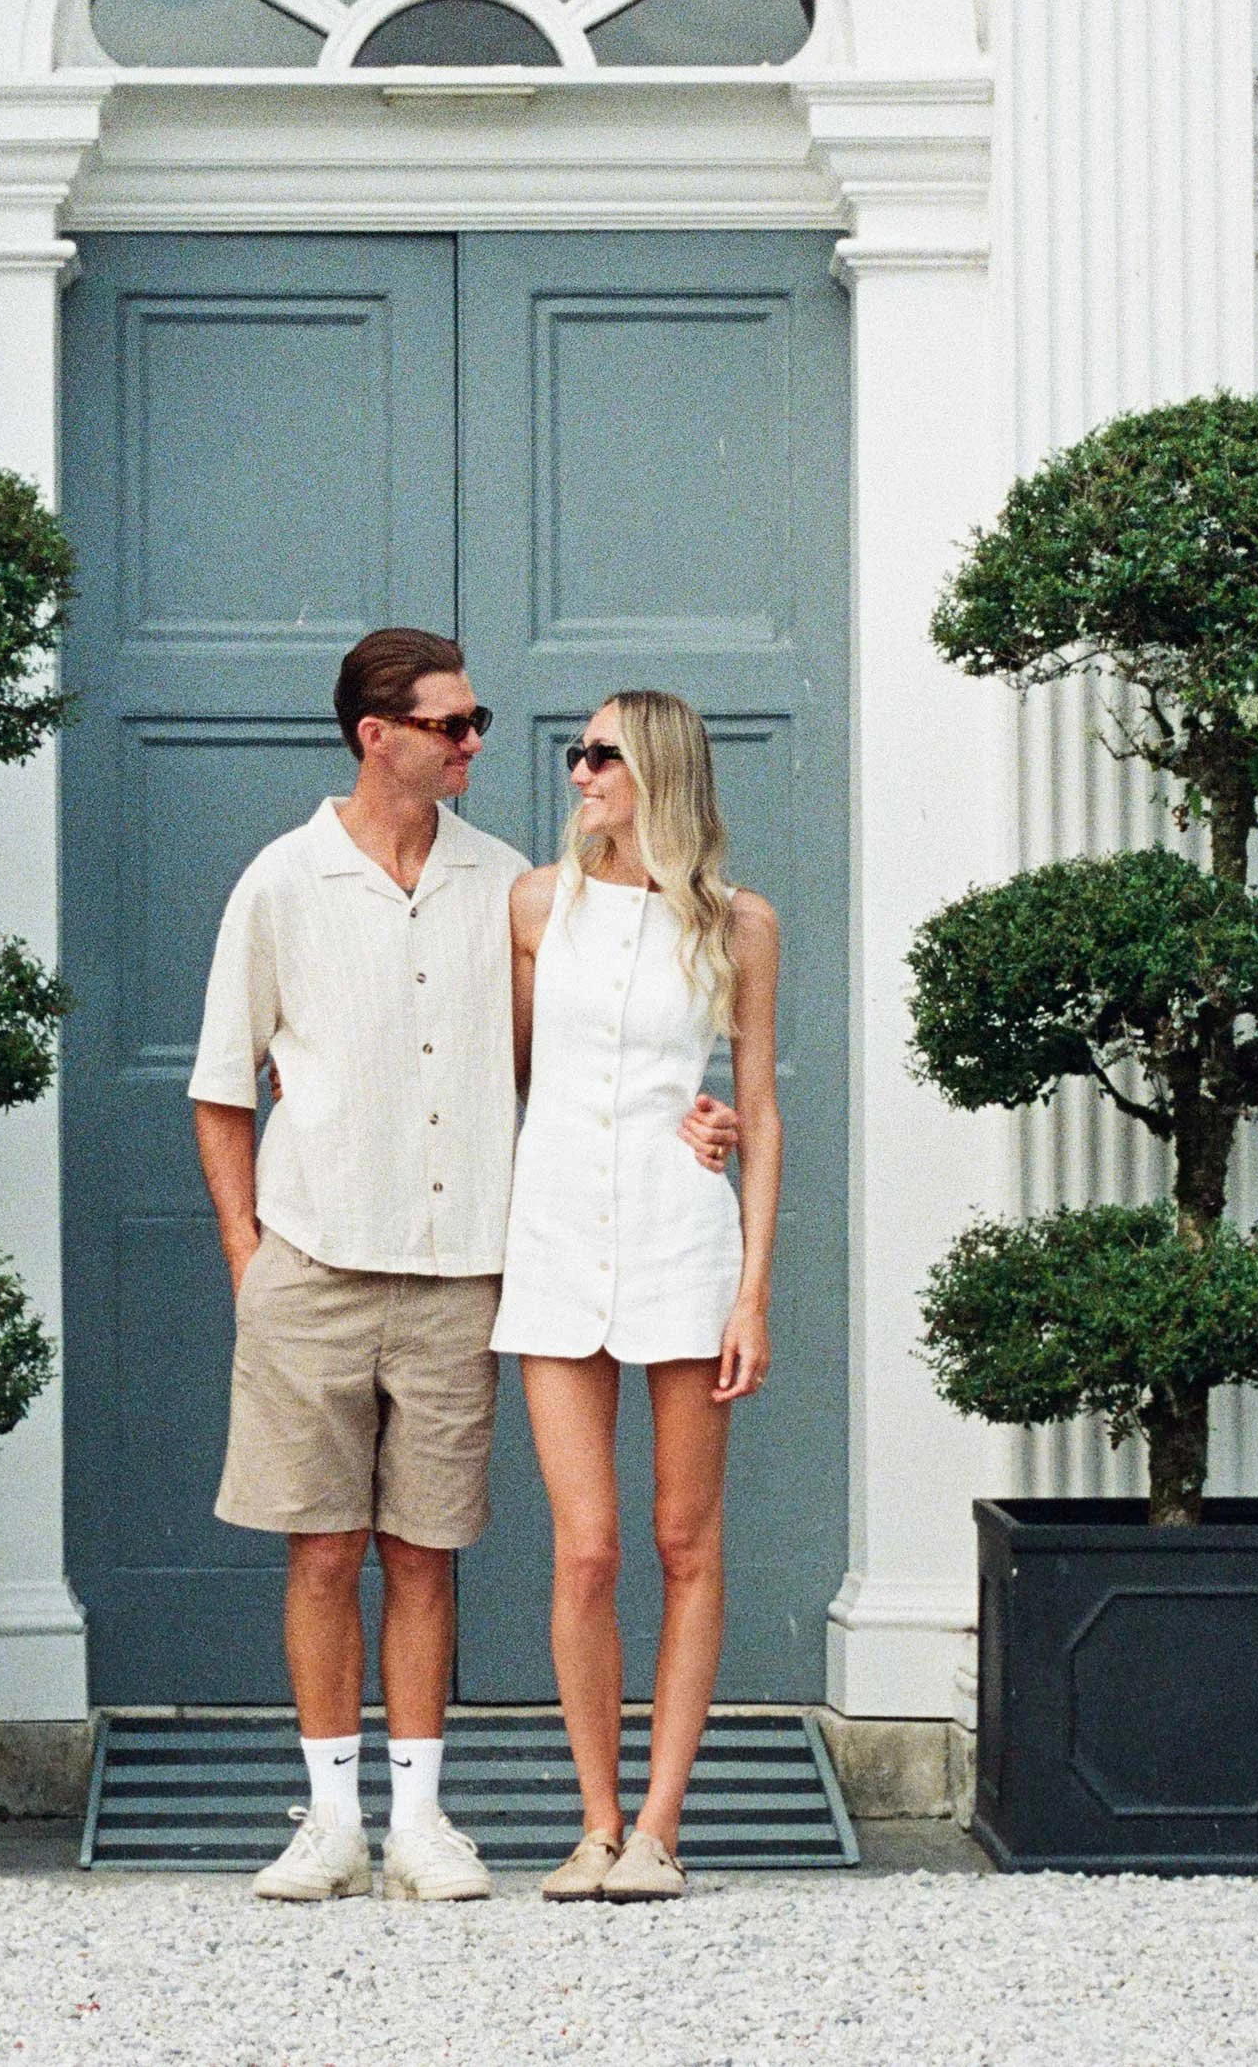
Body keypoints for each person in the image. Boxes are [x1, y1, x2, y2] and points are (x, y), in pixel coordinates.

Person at [189, 631, 734, 1903]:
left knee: (427, 1550)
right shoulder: (281, 883)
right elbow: (221, 1084)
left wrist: (700, 1113)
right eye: (454, 724)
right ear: (377, 736)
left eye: (478, 720)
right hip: (311, 1262)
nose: (477, 742)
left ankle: (423, 1823)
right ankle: (330, 1822)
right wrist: (245, 1259)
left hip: (462, 1270)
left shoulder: (513, 887)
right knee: (321, 1550)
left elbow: (584, 1059)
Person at [491, 690, 781, 1903]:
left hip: (681, 1235)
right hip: (556, 1233)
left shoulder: (741, 923)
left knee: (682, 1538)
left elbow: (755, 1109)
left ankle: (662, 1824)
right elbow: (510, 1073)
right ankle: (595, 1822)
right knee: (586, 1547)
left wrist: (751, 1291)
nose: (578, 771)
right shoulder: (531, 906)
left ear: (656, 767)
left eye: (600, 753)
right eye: (576, 750)